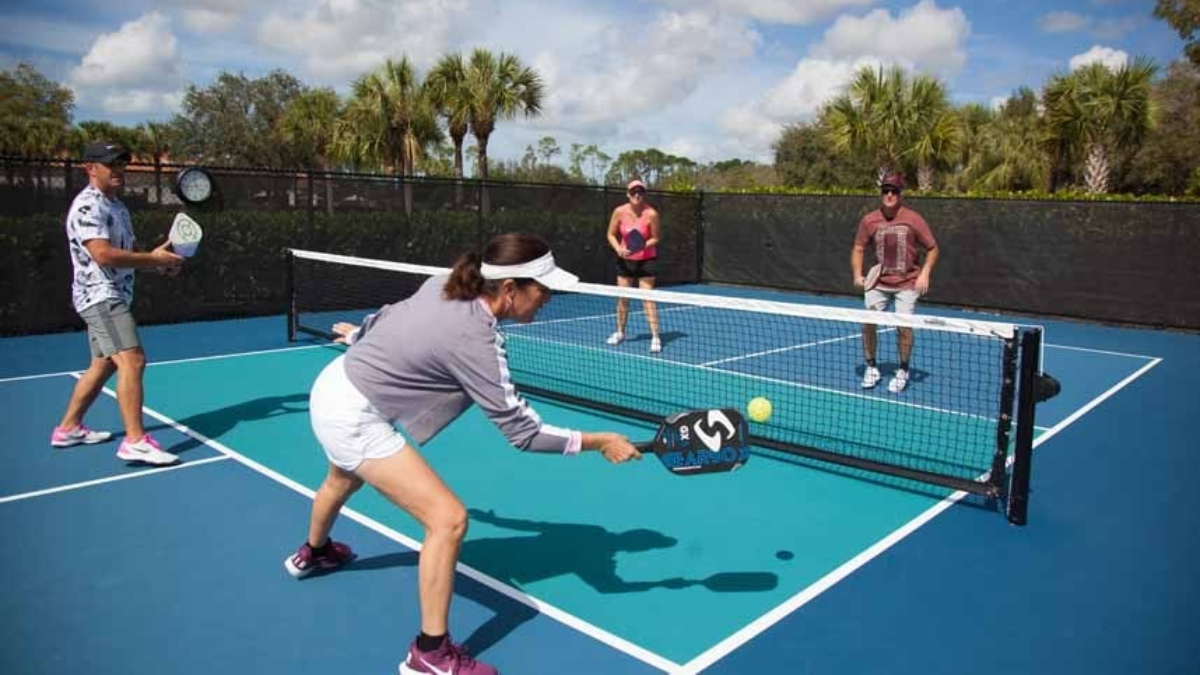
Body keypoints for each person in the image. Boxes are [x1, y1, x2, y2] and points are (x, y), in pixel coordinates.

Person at [284, 233, 642, 675]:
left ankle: (315, 552)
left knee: (342, 477)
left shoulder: (443, 282)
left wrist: (360, 335)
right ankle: (429, 654)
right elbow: (523, 433)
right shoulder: (477, 339)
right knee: (448, 520)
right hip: (355, 415)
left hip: (336, 383)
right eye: (544, 289)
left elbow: (391, 319)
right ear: (510, 290)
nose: (549, 298)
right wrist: (600, 441)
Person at [51, 141, 184, 465]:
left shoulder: (117, 207)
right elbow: (103, 254)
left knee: (104, 363)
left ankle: (67, 428)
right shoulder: (88, 207)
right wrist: (152, 260)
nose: (120, 172)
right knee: (133, 361)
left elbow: (129, 253)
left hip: (113, 293)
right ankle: (135, 441)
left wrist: (159, 263)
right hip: (100, 295)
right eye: (112, 166)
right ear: (90, 169)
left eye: (122, 165)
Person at [850, 171, 939, 394]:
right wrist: (857, 275)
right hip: (878, 283)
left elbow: (933, 248)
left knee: (904, 328)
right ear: (881, 193)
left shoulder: (913, 219)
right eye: (886, 190)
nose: (889, 194)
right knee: (868, 324)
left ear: (901, 194)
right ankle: (871, 367)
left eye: (894, 191)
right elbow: (859, 248)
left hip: (907, 283)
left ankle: (903, 370)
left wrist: (924, 273)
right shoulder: (869, 220)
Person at [605, 178, 662, 353]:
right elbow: (611, 234)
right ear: (628, 194)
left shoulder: (652, 214)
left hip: (646, 260)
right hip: (625, 260)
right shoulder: (619, 212)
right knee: (623, 298)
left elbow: (656, 237)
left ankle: (655, 337)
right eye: (633, 192)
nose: (637, 195)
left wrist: (640, 245)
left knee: (648, 298)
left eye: (640, 192)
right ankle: (621, 332)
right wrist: (618, 249)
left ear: (644, 194)